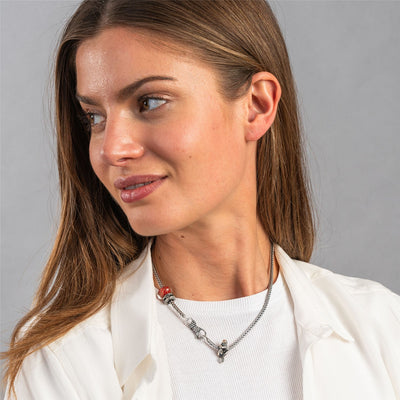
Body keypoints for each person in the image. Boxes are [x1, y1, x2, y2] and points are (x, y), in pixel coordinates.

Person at [2, 0, 400, 399]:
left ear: (256, 106)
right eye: (95, 117)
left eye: (150, 102)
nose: (112, 149)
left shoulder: (383, 328)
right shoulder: (62, 361)